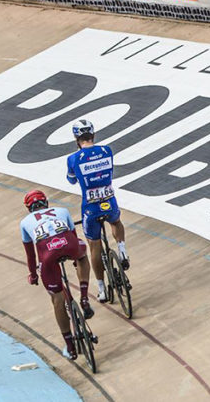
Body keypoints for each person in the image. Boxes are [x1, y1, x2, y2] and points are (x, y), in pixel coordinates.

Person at [19, 189, 94, 360]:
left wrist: (33, 275)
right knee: (82, 257)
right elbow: (74, 236)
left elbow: (31, 255)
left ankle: (71, 348)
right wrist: (76, 260)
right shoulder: (62, 211)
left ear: (28, 208)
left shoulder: (24, 222)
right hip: (69, 244)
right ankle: (84, 297)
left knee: (57, 301)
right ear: (46, 203)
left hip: (47, 255)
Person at [66, 119, 129, 304]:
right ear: (93, 135)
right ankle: (122, 250)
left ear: (76, 139)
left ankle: (101, 288)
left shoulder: (73, 159)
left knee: (94, 246)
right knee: (116, 222)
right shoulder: (106, 150)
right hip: (109, 201)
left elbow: (71, 180)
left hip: (91, 208)